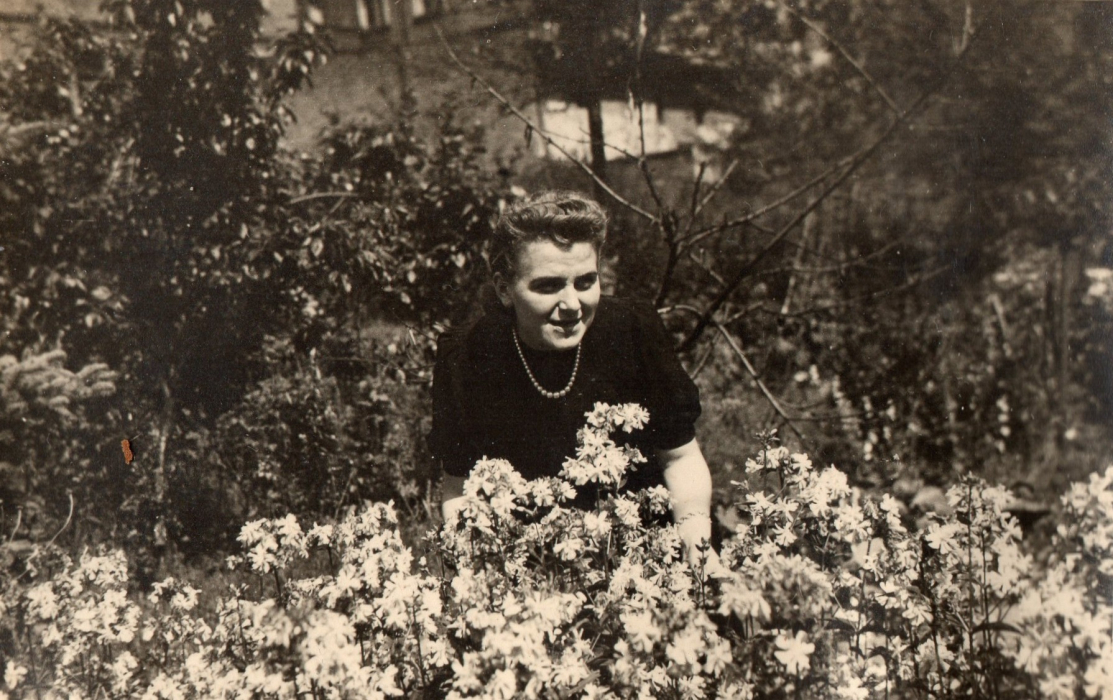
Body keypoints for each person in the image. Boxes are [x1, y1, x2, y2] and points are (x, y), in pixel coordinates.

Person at [429, 190, 717, 567]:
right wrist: (476, 570)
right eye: (548, 286)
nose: (571, 305)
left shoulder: (632, 333)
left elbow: (680, 458)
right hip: (530, 562)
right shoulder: (470, 356)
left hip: (644, 549)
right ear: (504, 289)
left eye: (585, 282)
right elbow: (459, 487)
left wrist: (696, 542)